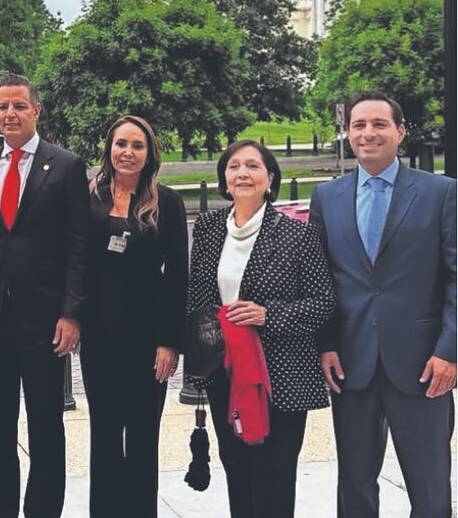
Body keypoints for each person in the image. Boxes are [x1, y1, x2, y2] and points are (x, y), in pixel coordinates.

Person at [309, 92, 456, 518]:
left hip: (424, 366)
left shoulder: (441, 193)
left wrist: (449, 351)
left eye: (379, 124)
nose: (368, 133)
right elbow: (321, 281)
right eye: (359, 125)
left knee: (429, 487)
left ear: (400, 132)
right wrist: (326, 344)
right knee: (354, 486)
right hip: (351, 365)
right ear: (348, 132)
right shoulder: (327, 197)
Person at [185, 140, 335, 518]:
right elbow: (195, 297)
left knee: (274, 473)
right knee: (236, 468)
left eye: (253, 166)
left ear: (270, 179)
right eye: (234, 166)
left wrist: (269, 314)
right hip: (225, 372)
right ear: (224, 178)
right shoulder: (207, 228)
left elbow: (323, 303)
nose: (242, 174)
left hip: (279, 374)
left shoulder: (297, 235)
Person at [0, 74, 88, 518]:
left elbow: (78, 246)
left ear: (36, 110)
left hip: (46, 323)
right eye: (2, 107)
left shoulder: (66, 166)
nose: (10, 114)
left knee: (45, 429)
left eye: (19, 105)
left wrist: (71, 313)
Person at [81, 115, 187, 518]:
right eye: (121, 144)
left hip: (147, 341)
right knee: (104, 437)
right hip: (99, 338)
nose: (128, 152)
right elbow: (75, 263)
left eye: (137, 146)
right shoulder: (89, 198)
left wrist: (169, 341)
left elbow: (179, 276)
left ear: (149, 153)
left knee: (143, 438)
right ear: (109, 149)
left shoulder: (169, 203)